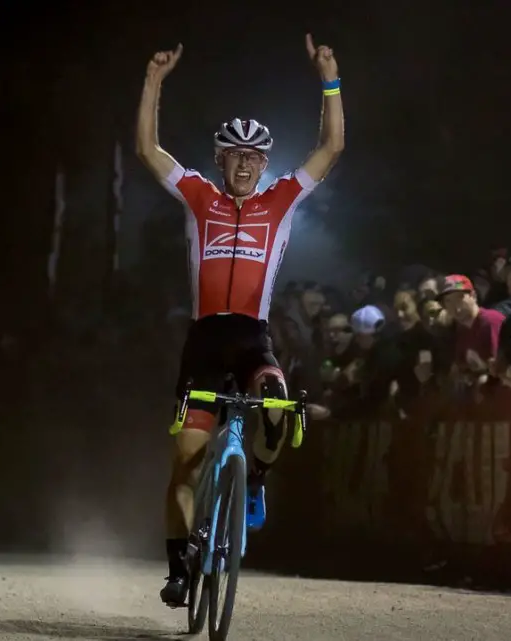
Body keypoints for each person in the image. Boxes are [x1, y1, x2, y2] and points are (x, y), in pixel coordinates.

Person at [135, 33, 345, 606]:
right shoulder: (199, 197)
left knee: (277, 408)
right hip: (205, 339)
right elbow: (149, 151)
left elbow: (330, 148)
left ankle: (254, 479)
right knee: (185, 461)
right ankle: (179, 569)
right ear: (221, 158)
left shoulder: (280, 200)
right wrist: (154, 82)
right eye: (236, 154)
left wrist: (329, 77)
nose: (246, 164)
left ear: (265, 163)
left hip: (253, 337)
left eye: (255, 157)